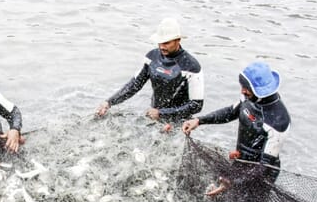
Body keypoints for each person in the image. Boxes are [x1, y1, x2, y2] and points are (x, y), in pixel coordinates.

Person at [182, 61, 291, 192]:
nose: (242, 91)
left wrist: (233, 183)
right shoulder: (248, 98)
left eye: (247, 88)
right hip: (241, 160)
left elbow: (264, 167)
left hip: (259, 175)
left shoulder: (278, 121)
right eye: (242, 86)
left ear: (261, 91)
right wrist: (199, 120)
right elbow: (230, 112)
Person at [96, 17, 204, 122]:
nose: (162, 47)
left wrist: (162, 113)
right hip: (154, 117)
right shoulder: (152, 57)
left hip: (179, 122)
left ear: (178, 40)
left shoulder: (191, 66)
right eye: (160, 42)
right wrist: (109, 102)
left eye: (166, 43)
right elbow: (135, 85)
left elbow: (196, 105)